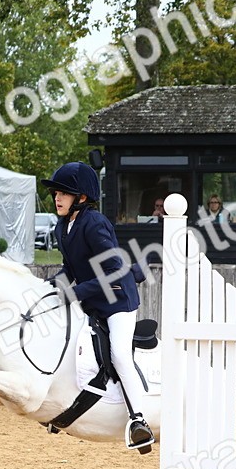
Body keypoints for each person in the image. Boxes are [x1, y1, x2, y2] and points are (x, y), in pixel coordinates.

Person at [42, 162, 153, 451]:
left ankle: (138, 420)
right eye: (56, 193)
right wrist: (51, 286)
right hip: (92, 298)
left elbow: (114, 272)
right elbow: (70, 267)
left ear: (81, 197)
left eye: (63, 193)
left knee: (118, 353)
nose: (57, 198)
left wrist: (74, 292)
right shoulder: (62, 225)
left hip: (118, 300)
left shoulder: (95, 223)